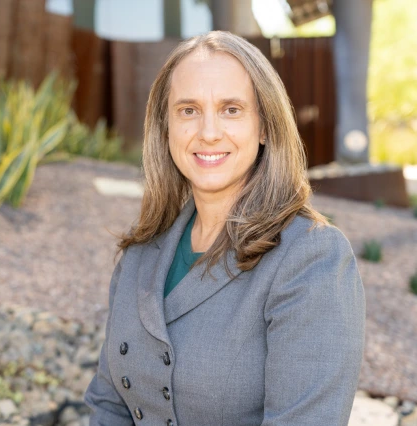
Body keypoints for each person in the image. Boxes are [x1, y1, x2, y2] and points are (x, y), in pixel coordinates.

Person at [84, 30, 365, 426]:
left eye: (231, 109)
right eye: (188, 110)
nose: (209, 131)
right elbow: (108, 405)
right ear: (166, 129)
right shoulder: (140, 253)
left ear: (265, 126)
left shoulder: (310, 259)